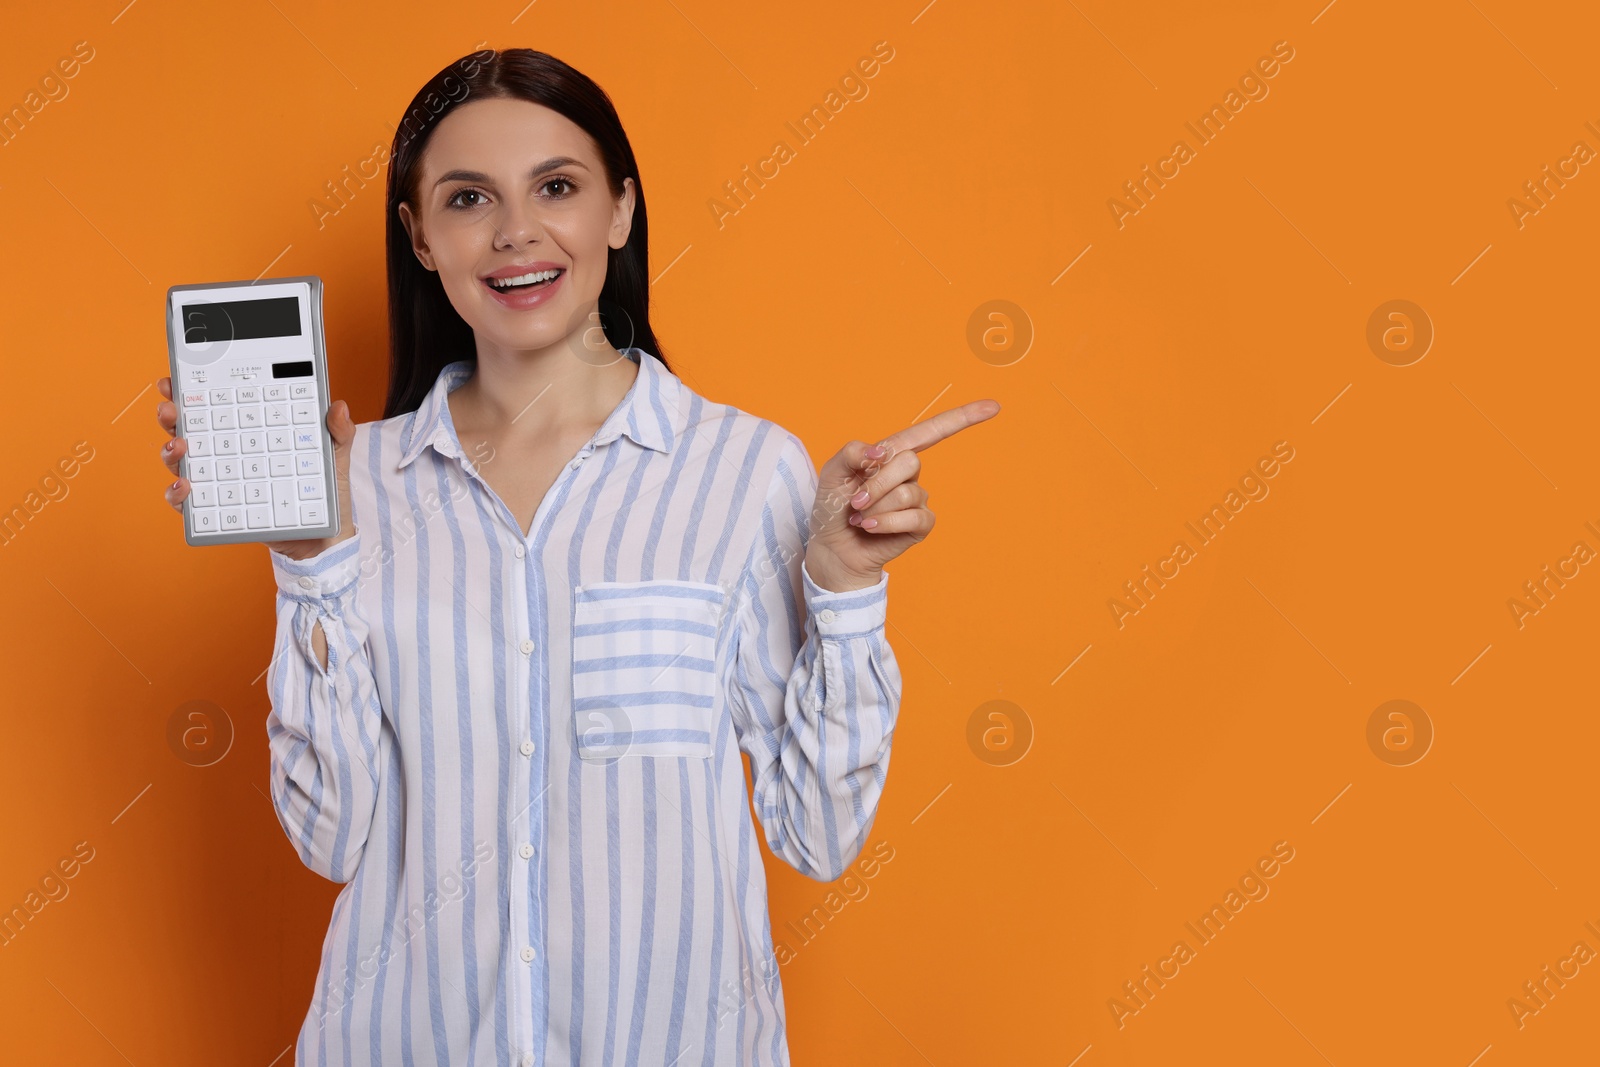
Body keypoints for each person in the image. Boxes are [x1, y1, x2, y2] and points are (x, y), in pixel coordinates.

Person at [154, 47, 998, 1066]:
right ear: (419, 236)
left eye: (556, 186)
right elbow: (331, 837)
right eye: (468, 198)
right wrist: (310, 559)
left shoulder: (743, 470)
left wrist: (846, 587)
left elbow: (818, 830)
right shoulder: (354, 485)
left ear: (620, 211)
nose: (516, 231)